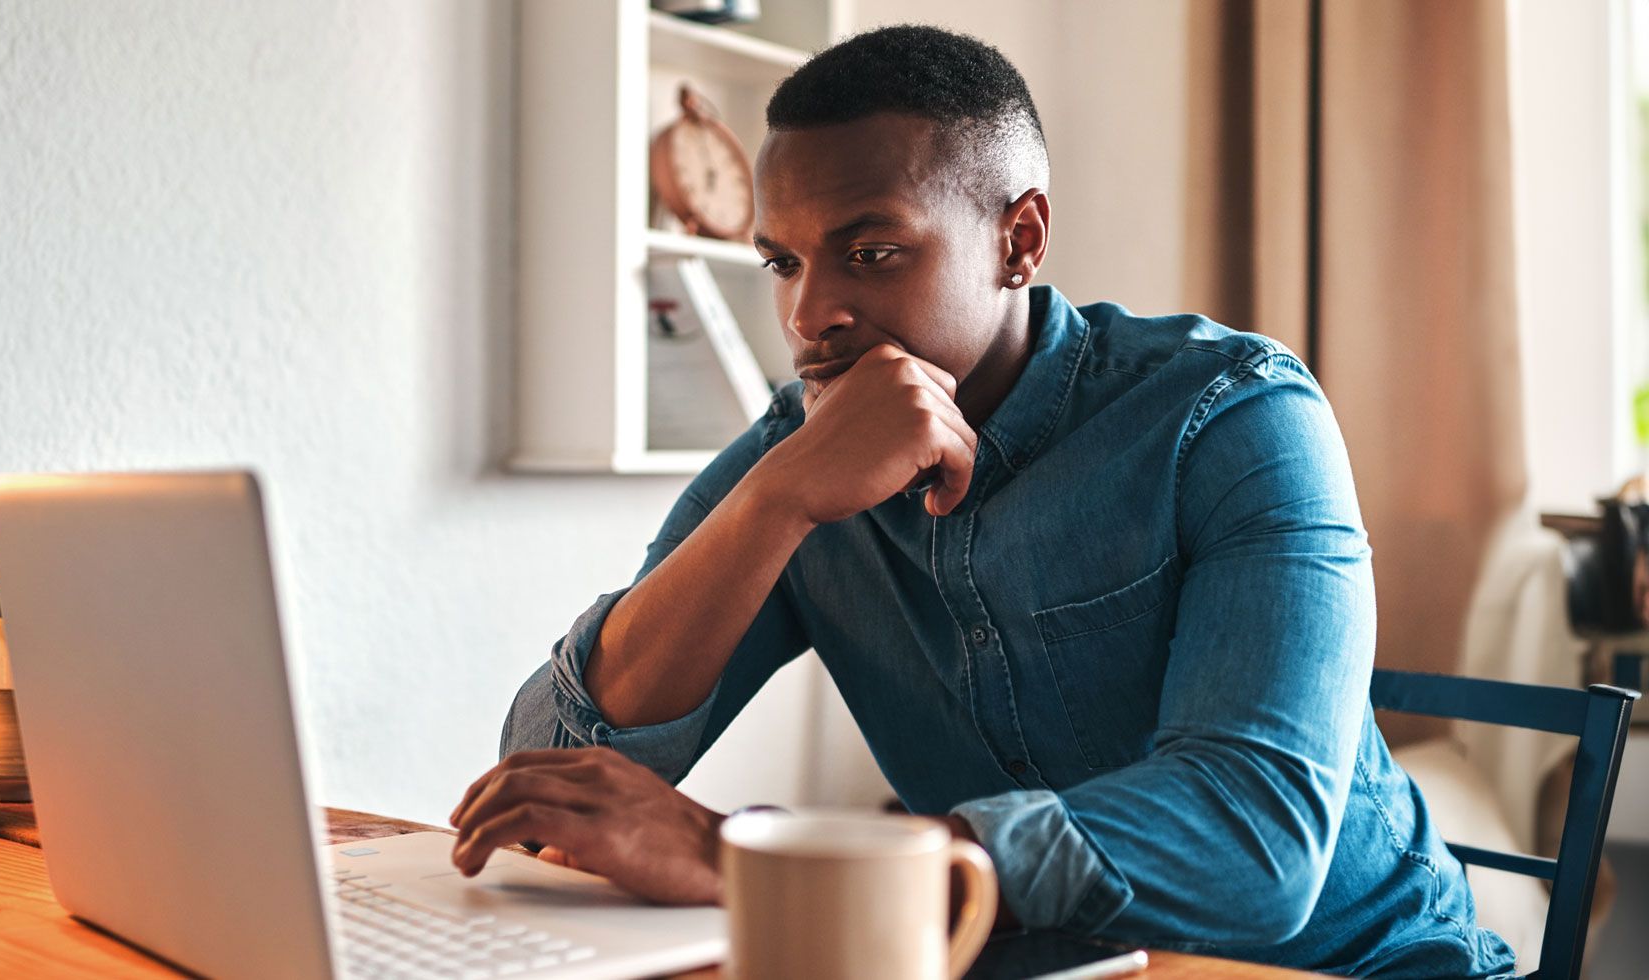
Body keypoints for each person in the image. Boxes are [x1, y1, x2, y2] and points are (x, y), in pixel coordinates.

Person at [449, 24, 1515, 978]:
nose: (810, 312)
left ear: (1022, 238)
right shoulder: (803, 448)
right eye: (781, 261)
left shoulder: (1231, 414)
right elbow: (552, 776)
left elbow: (1255, 841)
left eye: (871, 253)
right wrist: (771, 502)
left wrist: (754, 856)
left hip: (1356, 966)